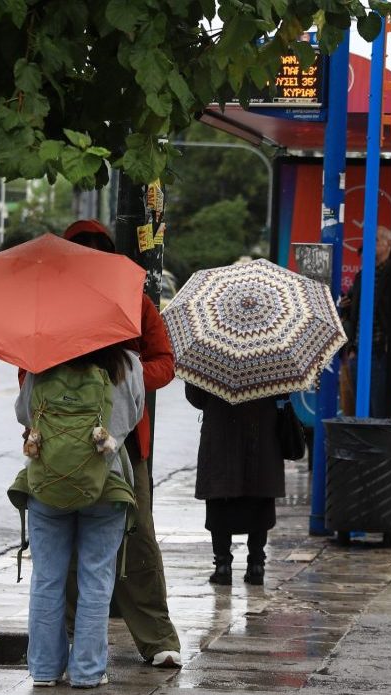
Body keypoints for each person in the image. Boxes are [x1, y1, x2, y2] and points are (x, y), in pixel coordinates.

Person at [59, 219, 183, 669]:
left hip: (128, 446)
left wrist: (124, 381)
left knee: (138, 539)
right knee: (65, 542)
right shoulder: (52, 301)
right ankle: (71, 638)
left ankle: (156, 638)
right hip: (62, 444)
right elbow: (29, 374)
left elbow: (164, 362)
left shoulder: (135, 298)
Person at [14, 343, 145, 688]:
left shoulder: (42, 358)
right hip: (107, 484)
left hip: (47, 485)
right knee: (96, 580)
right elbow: (131, 418)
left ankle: (43, 669)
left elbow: (25, 415)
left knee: (46, 577)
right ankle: (87, 671)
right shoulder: (127, 363)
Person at [185, 384, 285, 585]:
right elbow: (283, 392)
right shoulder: (269, 355)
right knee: (259, 495)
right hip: (261, 431)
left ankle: (223, 565)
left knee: (220, 496)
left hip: (220, 431)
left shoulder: (211, 355)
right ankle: (257, 564)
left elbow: (197, 398)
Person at [339, 226, 391, 418]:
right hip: (359, 352)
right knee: (361, 412)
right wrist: (347, 307)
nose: (370, 244)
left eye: (376, 240)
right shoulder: (362, 275)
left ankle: (381, 448)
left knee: (381, 413)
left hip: (381, 354)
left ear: (388, 245)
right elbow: (355, 309)